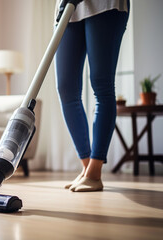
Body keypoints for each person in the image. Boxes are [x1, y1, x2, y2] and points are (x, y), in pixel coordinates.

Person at [55, 0, 130, 192]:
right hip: (68, 8)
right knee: (66, 88)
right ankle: (86, 166)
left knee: (101, 84)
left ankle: (94, 172)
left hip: (104, 5)